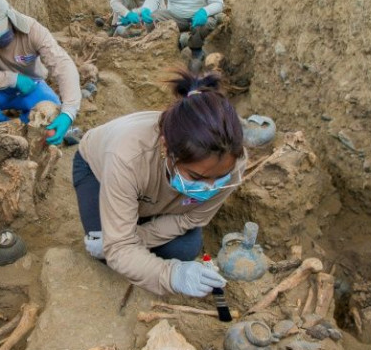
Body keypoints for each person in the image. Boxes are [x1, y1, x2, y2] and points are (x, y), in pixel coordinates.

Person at [72, 69, 246, 296]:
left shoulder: (233, 162)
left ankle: (140, 221)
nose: (210, 187)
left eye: (219, 178)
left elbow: (193, 217)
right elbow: (120, 249)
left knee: (184, 249)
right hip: (97, 171)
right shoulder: (127, 157)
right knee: (110, 255)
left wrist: (137, 238)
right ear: (166, 149)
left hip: (153, 192)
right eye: (196, 177)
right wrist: (169, 275)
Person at [0, 0, 81, 145]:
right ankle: (4, 132)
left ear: (10, 17)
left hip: (30, 88)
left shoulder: (32, 30)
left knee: (50, 113)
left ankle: (23, 129)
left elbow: (63, 64)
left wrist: (68, 113)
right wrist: (11, 79)